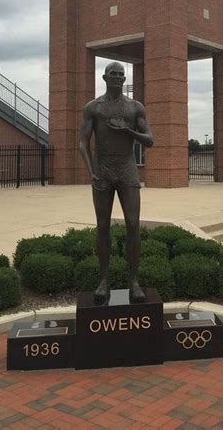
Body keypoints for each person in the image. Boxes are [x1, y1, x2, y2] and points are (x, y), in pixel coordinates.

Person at [79, 62, 154, 304]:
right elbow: (83, 142)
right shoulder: (93, 107)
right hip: (102, 168)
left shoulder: (135, 107)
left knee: (133, 223)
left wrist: (128, 132)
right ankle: (104, 280)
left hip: (127, 167)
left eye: (121, 75)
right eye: (113, 74)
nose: (118, 77)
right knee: (102, 226)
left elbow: (149, 140)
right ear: (104, 77)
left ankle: (134, 282)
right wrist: (91, 172)